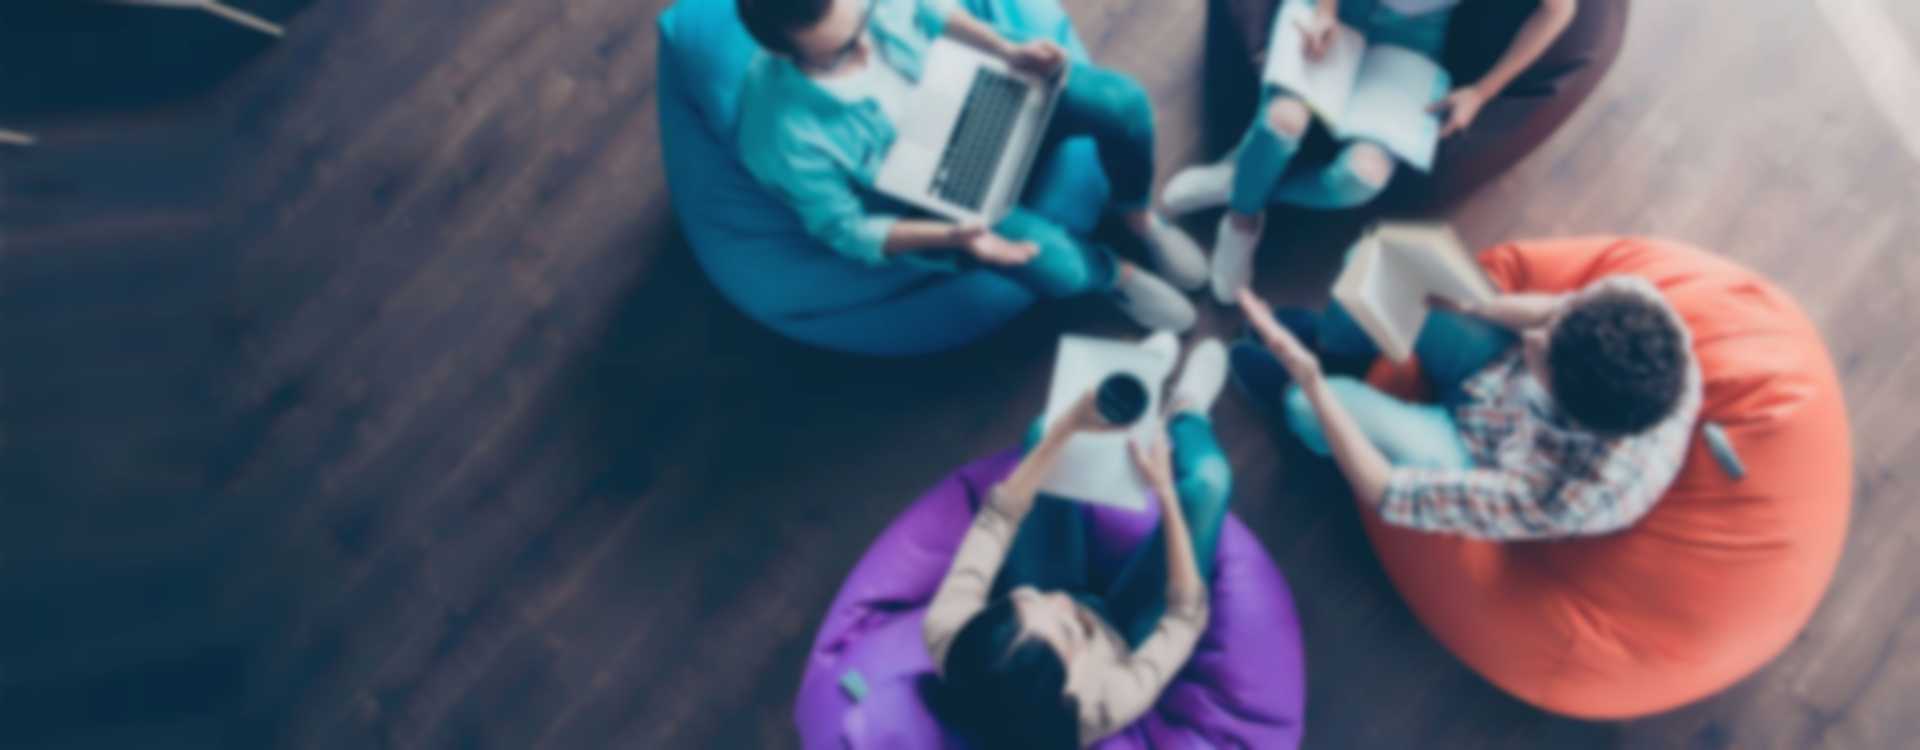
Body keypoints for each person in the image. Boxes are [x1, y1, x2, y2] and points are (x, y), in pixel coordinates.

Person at [734, 0, 1209, 332]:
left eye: (866, 18)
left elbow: (933, 11)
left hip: (979, 92)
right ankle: (1114, 275)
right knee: (1060, 271)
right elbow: (845, 230)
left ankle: (1135, 215)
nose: (866, 49)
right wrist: (952, 238)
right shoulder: (780, 135)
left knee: (1123, 103)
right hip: (935, 189)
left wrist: (1005, 50)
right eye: (839, 53)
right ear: (781, 54)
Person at [922, 333, 1232, 747]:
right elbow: (1185, 616)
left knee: (1041, 432)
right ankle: (1187, 411)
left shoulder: (952, 635)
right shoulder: (1099, 707)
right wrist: (1165, 493)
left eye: (1028, 601)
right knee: (1210, 483)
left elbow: (998, 518)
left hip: (1047, 573)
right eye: (1068, 632)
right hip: (1122, 629)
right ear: (1067, 693)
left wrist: (1067, 428)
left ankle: (1125, 391)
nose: (1063, 602)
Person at [1161, 0, 1579, 303]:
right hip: (1341, 6)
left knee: (1361, 177)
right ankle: (1242, 220)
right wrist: (1326, 11)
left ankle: (1245, 181)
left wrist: (1481, 93)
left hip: (1415, 42)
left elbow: (1558, 11)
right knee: (1281, 124)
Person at [1231, 275, 1700, 540]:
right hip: (1496, 372)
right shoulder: (1641, 312)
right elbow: (1550, 313)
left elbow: (1385, 491)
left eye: (1546, 354)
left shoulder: (1561, 496)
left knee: (1306, 406)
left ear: (1567, 409)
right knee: (1382, 279)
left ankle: (1295, 395)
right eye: (1555, 328)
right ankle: (1335, 344)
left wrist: (1311, 382)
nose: (1534, 337)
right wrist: (1474, 306)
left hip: (1475, 454)